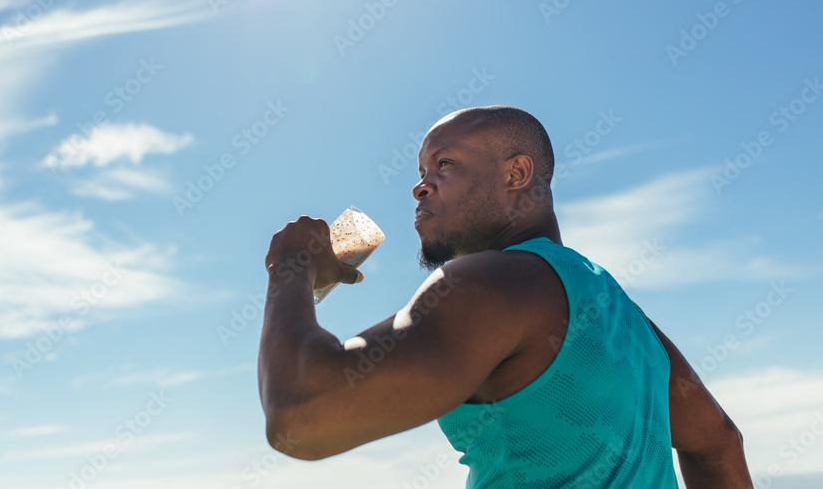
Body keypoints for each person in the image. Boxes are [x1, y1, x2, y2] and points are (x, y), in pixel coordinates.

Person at [258, 105, 753, 488]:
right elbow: (720, 444)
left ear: (516, 175)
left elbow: (301, 417)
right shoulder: (624, 315)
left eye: (443, 165)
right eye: (420, 171)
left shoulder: (488, 283)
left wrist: (291, 267)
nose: (419, 187)